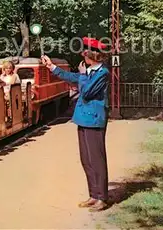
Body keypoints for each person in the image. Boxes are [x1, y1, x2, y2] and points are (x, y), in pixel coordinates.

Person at [41, 36, 109, 212]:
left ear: (90, 55)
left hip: (94, 120)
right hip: (83, 119)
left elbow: (85, 92)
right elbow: (71, 76)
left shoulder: (102, 73)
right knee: (86, 159)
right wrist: (51, 66)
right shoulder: (88, 72)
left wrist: (83, 75)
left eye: (84, 54)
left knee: (97, 159)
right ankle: (93, 195)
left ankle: (102, 197)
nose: (82, 57)